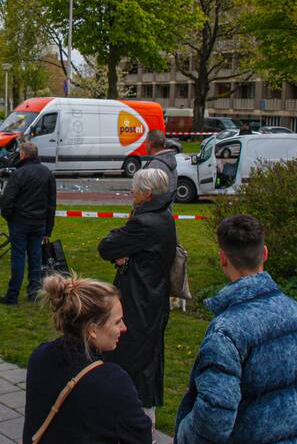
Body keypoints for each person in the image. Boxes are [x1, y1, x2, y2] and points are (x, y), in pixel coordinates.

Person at [175, 214, 297, 443]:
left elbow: (213, 418)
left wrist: (183, 434)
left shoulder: (226, 333)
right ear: (264, 253)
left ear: (222, 258)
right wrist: (283, 412)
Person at [22, 274, 152, 444]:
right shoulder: (111, 380)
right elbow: (141, 437)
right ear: (92, 329)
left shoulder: (40, 356)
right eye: (117, 322)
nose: (124, 327)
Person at [97, 168, 177, 424]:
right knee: (148, 357)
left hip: (138, 299)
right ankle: (141, 413)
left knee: (131, 358)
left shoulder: (144, 222)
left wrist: (123, 252)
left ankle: (134, 417)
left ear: (147, 193)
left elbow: (107, 246)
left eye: (135, 188)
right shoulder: (164, 216)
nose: (132, 192)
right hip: (154, 296)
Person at [0, 142, 56, 305]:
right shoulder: (47, 173)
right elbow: (52, 204)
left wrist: (9, 217)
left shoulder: (19, 173)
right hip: (38, 223)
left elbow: (7, 200)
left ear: (23, 154)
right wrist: (48, 228)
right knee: (35, 257)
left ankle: (13, 294)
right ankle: (34, 292)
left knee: (18, 257)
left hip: (20, 222)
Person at [143, 129, 177, 205]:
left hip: (152, 214)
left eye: (146, 142)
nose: (145, 145)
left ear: (150, 143)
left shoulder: (153, 167)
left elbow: (145, 195)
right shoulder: (171, 163)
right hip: (166, 213)